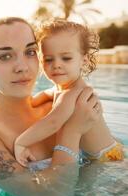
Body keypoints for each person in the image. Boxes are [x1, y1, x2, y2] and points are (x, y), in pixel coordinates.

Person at [0, 17, 102, 196]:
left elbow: (109, 155)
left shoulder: (60, 105)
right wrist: (72, 132)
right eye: (5, 56)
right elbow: (48, 195)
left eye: (30, 52)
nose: (23, 67)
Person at [14, 20, 124, 167]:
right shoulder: (63, 89)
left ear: (83, 60)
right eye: (48, 59)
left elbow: (53, 123)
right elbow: (47, 94)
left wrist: (21, 142)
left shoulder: (72, 94)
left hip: (108, 159)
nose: (57, 64)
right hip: (107, 149)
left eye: (66, 58)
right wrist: (30, 102)